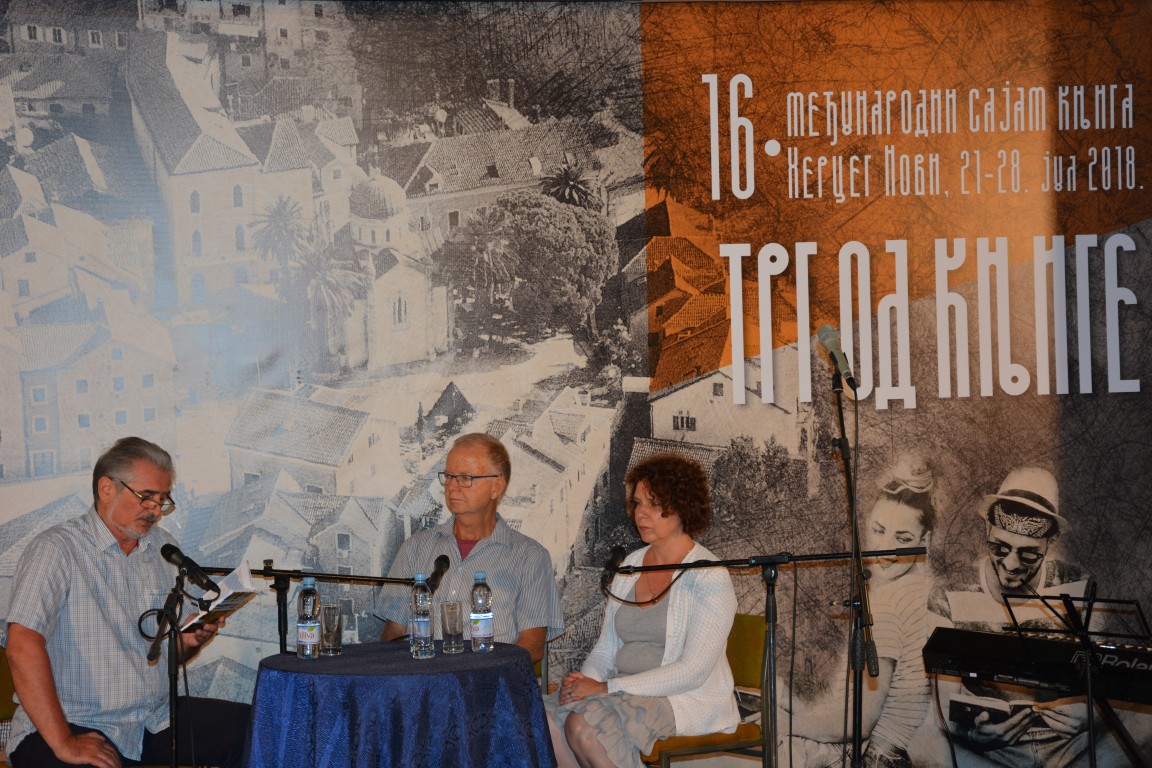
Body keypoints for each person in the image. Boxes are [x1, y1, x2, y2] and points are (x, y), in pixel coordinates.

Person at [3, 436, 250, 768]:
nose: (155, 510)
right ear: (107, 489)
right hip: (73, 720)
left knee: (256, 729)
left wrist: (188, 641)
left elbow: (161, 655)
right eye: (146, 496)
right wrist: (64, 742)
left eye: (163, 499)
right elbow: (21, 646)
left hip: (152, 719)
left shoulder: (163, 548)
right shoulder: (57, 549)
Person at [908, 466, 1125, 768]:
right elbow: (944, 702)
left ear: (1050, 541)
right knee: (923, 743)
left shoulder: (1080, 586)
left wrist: (1090, 713)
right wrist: (970, 733)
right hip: (989, 753)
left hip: (1069, 747)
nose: (1011, 565)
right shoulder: (948, 594)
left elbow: (1107, 681)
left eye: (1028, 554)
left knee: (1144, 722)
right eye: (1000, 548)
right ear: (987, 530)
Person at [547, 453, 738, 768]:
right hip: (622, 688)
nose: (641, 514)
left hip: (681, 698)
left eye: (654, 504)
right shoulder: (630, 565)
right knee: (547, 722)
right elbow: (607, 647)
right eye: (637, 503)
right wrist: (584, 684)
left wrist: (606, 688)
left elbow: (692, 672)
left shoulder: (708, 575)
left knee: (583, 727)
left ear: (683, 507)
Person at [778, 454, 940, 768]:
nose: (885, 549)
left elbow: (860, 721)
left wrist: (787, 724)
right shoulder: (919, 592)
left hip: (873, 759)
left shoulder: (887, 606)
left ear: (925, 540)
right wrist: (791, 704)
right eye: (878, 530)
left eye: (903, 538)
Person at [377, 432, 563, 663]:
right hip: (425, 678)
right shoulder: (415, 548)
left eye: (465, 478)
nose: (451, 487)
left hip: (490, 680)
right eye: (449, 476)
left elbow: (532, 647)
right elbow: (393, 632)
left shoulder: (530, 557)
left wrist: (479, 676)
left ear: (496, 486)